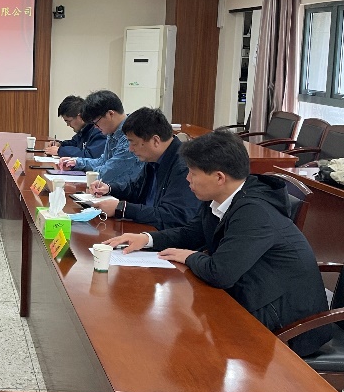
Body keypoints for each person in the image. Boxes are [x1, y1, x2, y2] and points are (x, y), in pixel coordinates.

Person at [107, 129, 332, 357]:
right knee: (171, 325)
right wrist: (147, 239)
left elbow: (220, 273)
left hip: (288, 323)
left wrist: (189, 256)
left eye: (193, 173)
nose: (187, 179)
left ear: (219, 177)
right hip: (251, 294)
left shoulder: (254, 211)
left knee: (179, 338)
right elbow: (192, 233)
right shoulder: (219, 197)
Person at [88, 107, 200, 230]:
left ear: (155, 141)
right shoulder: (153, 159)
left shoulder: (184, 167)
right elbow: (136, 188)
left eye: (134, 143)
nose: (130, 149)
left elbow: (173, 216)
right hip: (146, 227)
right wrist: (110, 188)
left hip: (162, 234)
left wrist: (122, 208)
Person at [58, 89, 144, 188]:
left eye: (96, 122)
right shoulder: (112, 132)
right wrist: (77, 162)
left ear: (110, 114)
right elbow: (103, 161)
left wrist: (86, 175)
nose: (95, 127)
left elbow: (109, 172)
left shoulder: (130, 136)